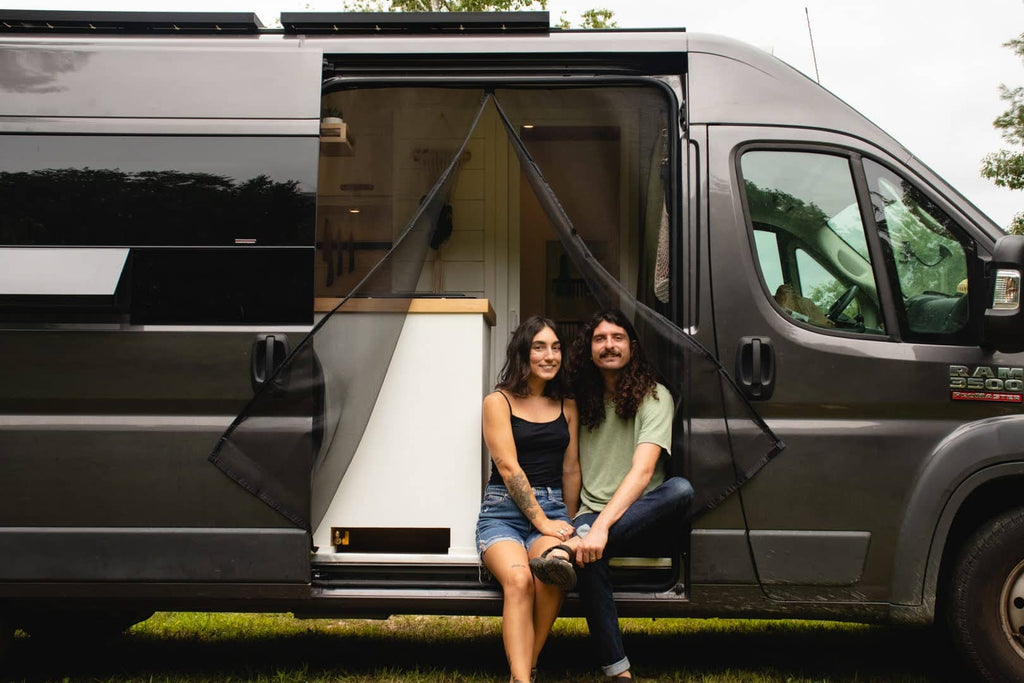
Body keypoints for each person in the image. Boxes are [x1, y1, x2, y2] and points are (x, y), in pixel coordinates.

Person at [529, 309, 694, 681]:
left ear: (631, 347)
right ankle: (618, 671)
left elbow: (643, 471)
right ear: (589, 351)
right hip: (591, 514)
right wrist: (576, 524)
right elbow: (572, 468)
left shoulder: (654, 397)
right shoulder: (580, 401)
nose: (609, 346)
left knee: (681, 489)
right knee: (591, 555)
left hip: (643, 513)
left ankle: (574, 552)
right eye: (600, 339)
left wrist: (599, 528)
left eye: (617, 338)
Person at [476, 315, 581, 683]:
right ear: (523, 352)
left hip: (552, 510)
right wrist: (544, 522)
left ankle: (527, 665)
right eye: (539, 347)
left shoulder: (567, 404)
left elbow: (570, 469)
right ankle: (522, 679)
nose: (550, 355)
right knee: (519, 580)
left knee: (553, 574)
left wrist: (568, 519)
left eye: (555, 347)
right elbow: (508, 468)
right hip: (502, 512)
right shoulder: (497, 401)